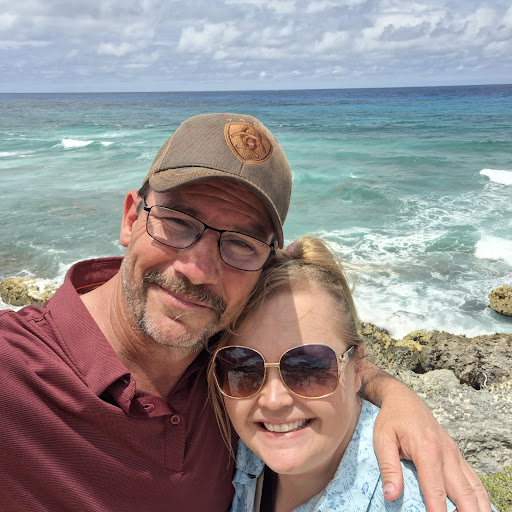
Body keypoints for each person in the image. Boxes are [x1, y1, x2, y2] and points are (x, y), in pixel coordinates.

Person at [0, 113, 490, 511]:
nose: (198, 271)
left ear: (264, 263)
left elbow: (313, 352)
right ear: (132, 217)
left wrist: (396, 396)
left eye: (240, 244)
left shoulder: (228, 363)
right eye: (177, 222)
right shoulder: (13, 372)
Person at [209, 236, 498, 511]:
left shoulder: (413, 501)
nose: (273, 400)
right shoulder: (243, 448)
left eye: (308, 366)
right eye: (243, 367)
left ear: (357, 367)